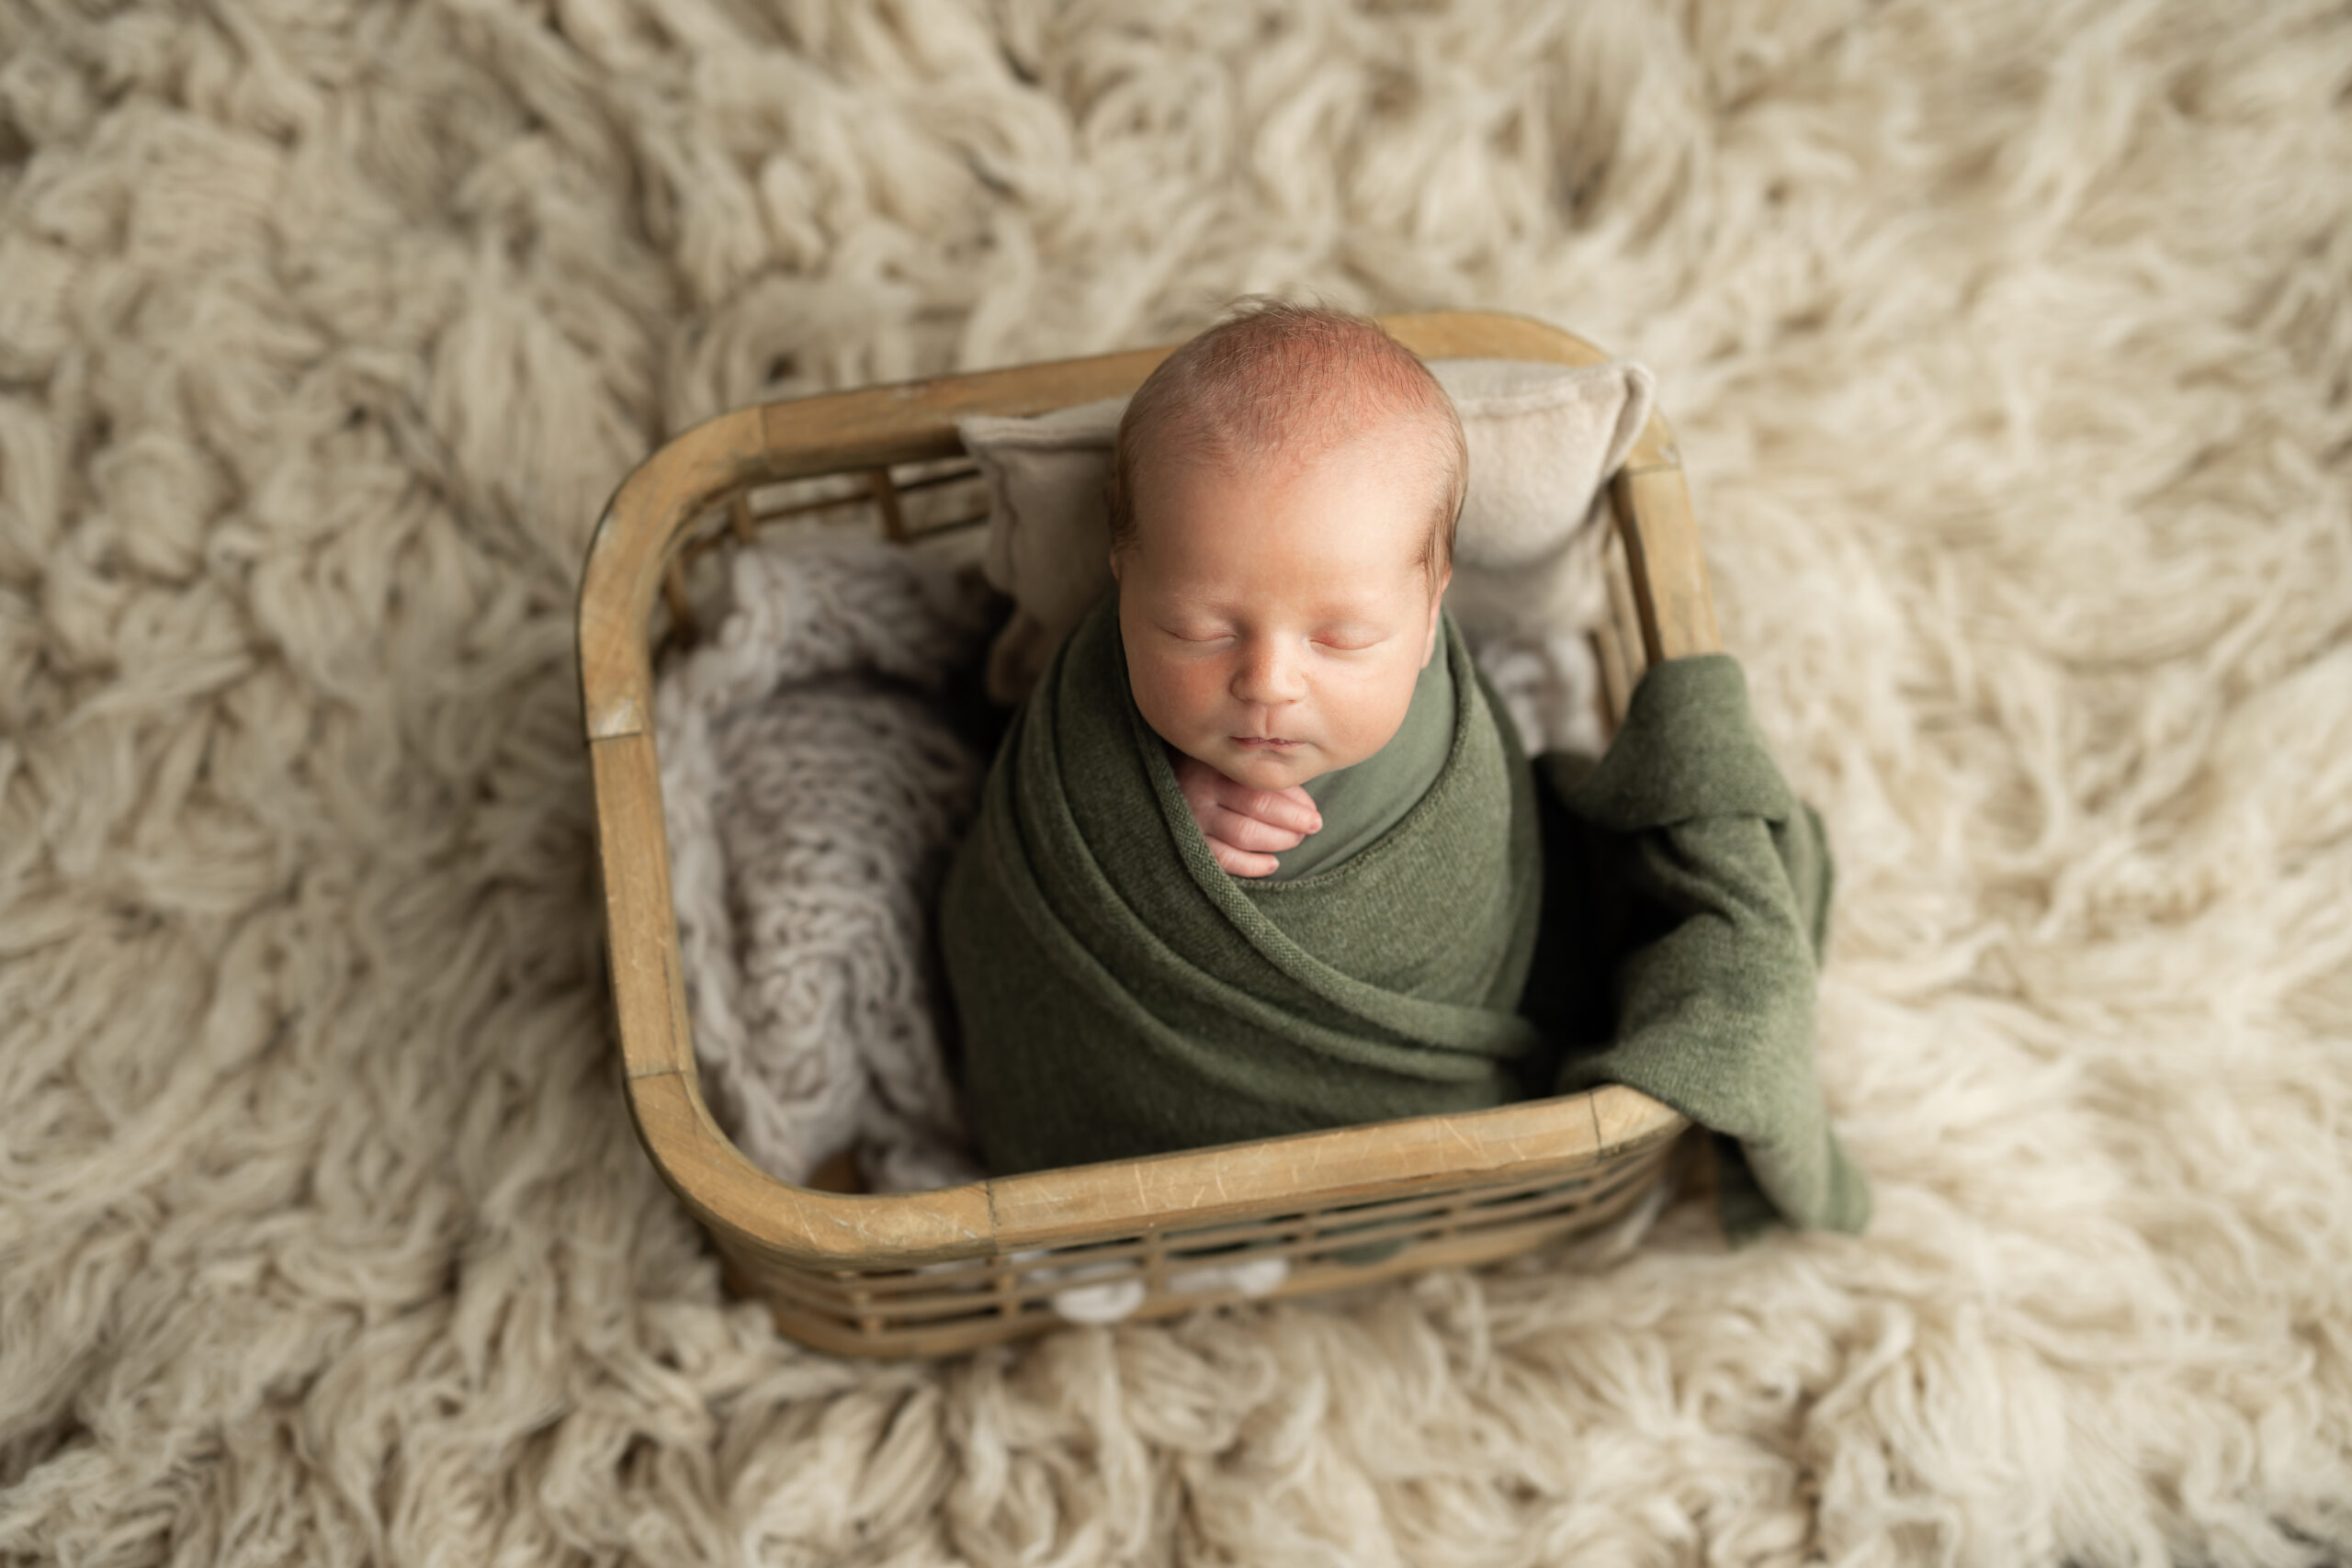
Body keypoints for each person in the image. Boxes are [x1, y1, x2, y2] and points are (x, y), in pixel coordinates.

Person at [940, 302, 1869, 1238]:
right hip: (1118, 1065)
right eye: (1199, 628)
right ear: (1122, 577)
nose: (1266, 683)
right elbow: (1040, 849)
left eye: (1340, 638)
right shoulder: (1091, 699)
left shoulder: (1448, 735)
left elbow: (1498, 895)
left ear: (1429, 616)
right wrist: (1148, 822)